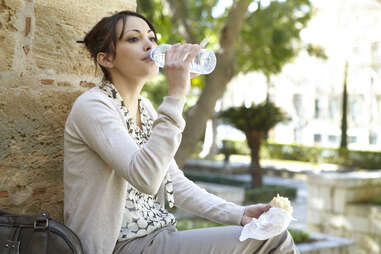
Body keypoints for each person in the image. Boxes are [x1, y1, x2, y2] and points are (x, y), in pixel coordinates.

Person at [64, 10, 299, 254]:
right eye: (133, 39)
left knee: (271, 233)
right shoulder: (93, 106)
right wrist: (176, 94)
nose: (149, 45)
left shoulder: (145, 109)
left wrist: (239, 214)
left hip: (160, 236)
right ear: (106, 59)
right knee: (276, 241)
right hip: (119, 246)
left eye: (152, 38)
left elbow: (174, 183)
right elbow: (146, 178)